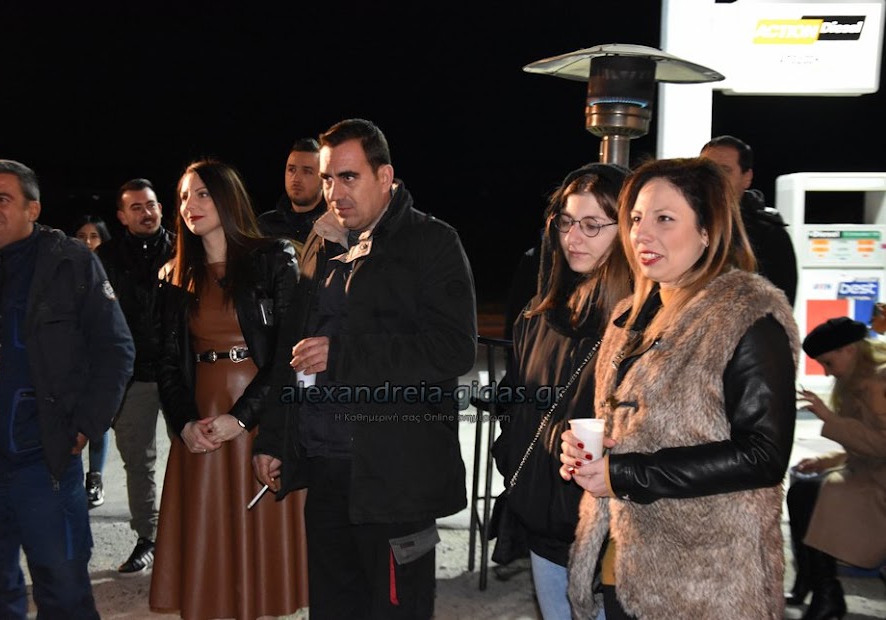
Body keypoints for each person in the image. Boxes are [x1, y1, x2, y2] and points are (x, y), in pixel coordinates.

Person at [253, 118, 477, 619]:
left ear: (385, 176)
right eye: (328, 179)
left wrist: (343, 355)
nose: (335, 192)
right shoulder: (323, 242)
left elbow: (453, 349)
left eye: (348, 177)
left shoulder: (431, 242)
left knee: (395, 610)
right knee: (333, 608)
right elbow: (291, 348)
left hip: (395, 477)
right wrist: (274, 438)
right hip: (327, 469)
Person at [559, 157, 800, 619]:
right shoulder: (630, 316)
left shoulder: (747, 318)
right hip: (623, 562)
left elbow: (763, 455)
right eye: (635, 219)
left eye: (664, 219)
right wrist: (588, 449)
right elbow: (627, 427)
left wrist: (625, 473)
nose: (641, 235)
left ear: (708, 231)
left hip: (706, 583)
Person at [0, 158, 134, 618]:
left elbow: (115, 349)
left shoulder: (69, 261)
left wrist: (86, 425)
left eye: (2, 198)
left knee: (63, 587)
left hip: (45, 462)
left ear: (32, 209)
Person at [150, 158, 308, 619]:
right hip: (202, 417)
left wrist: (240, 418)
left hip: (259, 412)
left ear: (228, 198)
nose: (190, 205)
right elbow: (167, 362)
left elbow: (288, 353)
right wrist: (184, 424)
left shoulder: (274, 258)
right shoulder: (174, 275)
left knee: (259, 533)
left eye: (202, 194)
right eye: (183, 196)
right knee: (208, 528)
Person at [490, 163, 630, 619]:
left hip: (607, 533)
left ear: (627, 232)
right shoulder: (538, 314)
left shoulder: (639, 326)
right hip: (543, 523)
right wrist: (511, 454)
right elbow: (515, 400)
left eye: (592, 225)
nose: (574, 237)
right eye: (566, 222)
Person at [95, 178, 174, 572]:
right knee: (138, 463)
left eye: (152, 204)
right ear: (122, 216)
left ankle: (189, 532)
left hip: (179, 372)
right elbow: (98, 319)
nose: (147, 213)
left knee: (192, 456)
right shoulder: (106, 257)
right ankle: (149, 536)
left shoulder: (183, 249)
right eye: (137, 207)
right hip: (132, 377)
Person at [785, 317, 886, 620]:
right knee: (802, 491)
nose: (827, 372)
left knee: (824, 494)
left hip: (879, 485)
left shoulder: (880, 382)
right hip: (870, 475)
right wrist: (827, 460)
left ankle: (827, 593)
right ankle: (814, 582)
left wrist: (830, 418)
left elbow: (881, 445)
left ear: (849, 350)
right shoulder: (856, 382)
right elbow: (863, 446)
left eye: (828, 363)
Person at [701, 134, 798, 305]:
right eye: (707, 170)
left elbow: (780, 306)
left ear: (747, 178)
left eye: (725, 170)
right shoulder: (679, 225)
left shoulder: (769, 236)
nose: (715, 178)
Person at [70, 214, 115, 507]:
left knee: (98, 419)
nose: (87, 242)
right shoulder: (63, 269)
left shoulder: (111, 272)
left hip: (100, 359)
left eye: (94, 236)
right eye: (81, 236)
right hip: (73, 360)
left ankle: (95, 478)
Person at [257, 137, 328, 258]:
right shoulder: (265, 225)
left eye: (307, 171)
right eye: (291, 170)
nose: (296, 178)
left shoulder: (334, 227)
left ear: (323, 178)